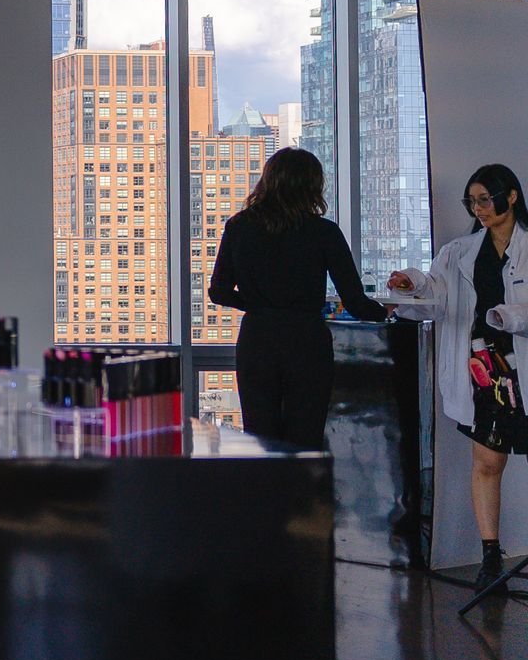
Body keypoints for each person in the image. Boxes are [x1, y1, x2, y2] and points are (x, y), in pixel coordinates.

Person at [389, 163, 528, 593]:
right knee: (487, 462)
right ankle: (490, 557)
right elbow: (435, 297)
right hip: (483, 374)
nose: (478, 208)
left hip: (521, 365)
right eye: (472, 201)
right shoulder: (459, 252)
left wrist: (510, 316)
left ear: (511, 197)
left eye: (485, 199)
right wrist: (409, 285)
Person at [208, 147, 387, 451]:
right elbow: (355, 301)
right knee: (304, 439)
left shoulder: (239, 227)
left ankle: (266, 498)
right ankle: (301, 498)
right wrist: (386, 311)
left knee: (260, 437)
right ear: (312, 186)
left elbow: (218, 291)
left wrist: (256, 303)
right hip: (306, 342)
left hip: (258, 340)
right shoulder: (323, 232)